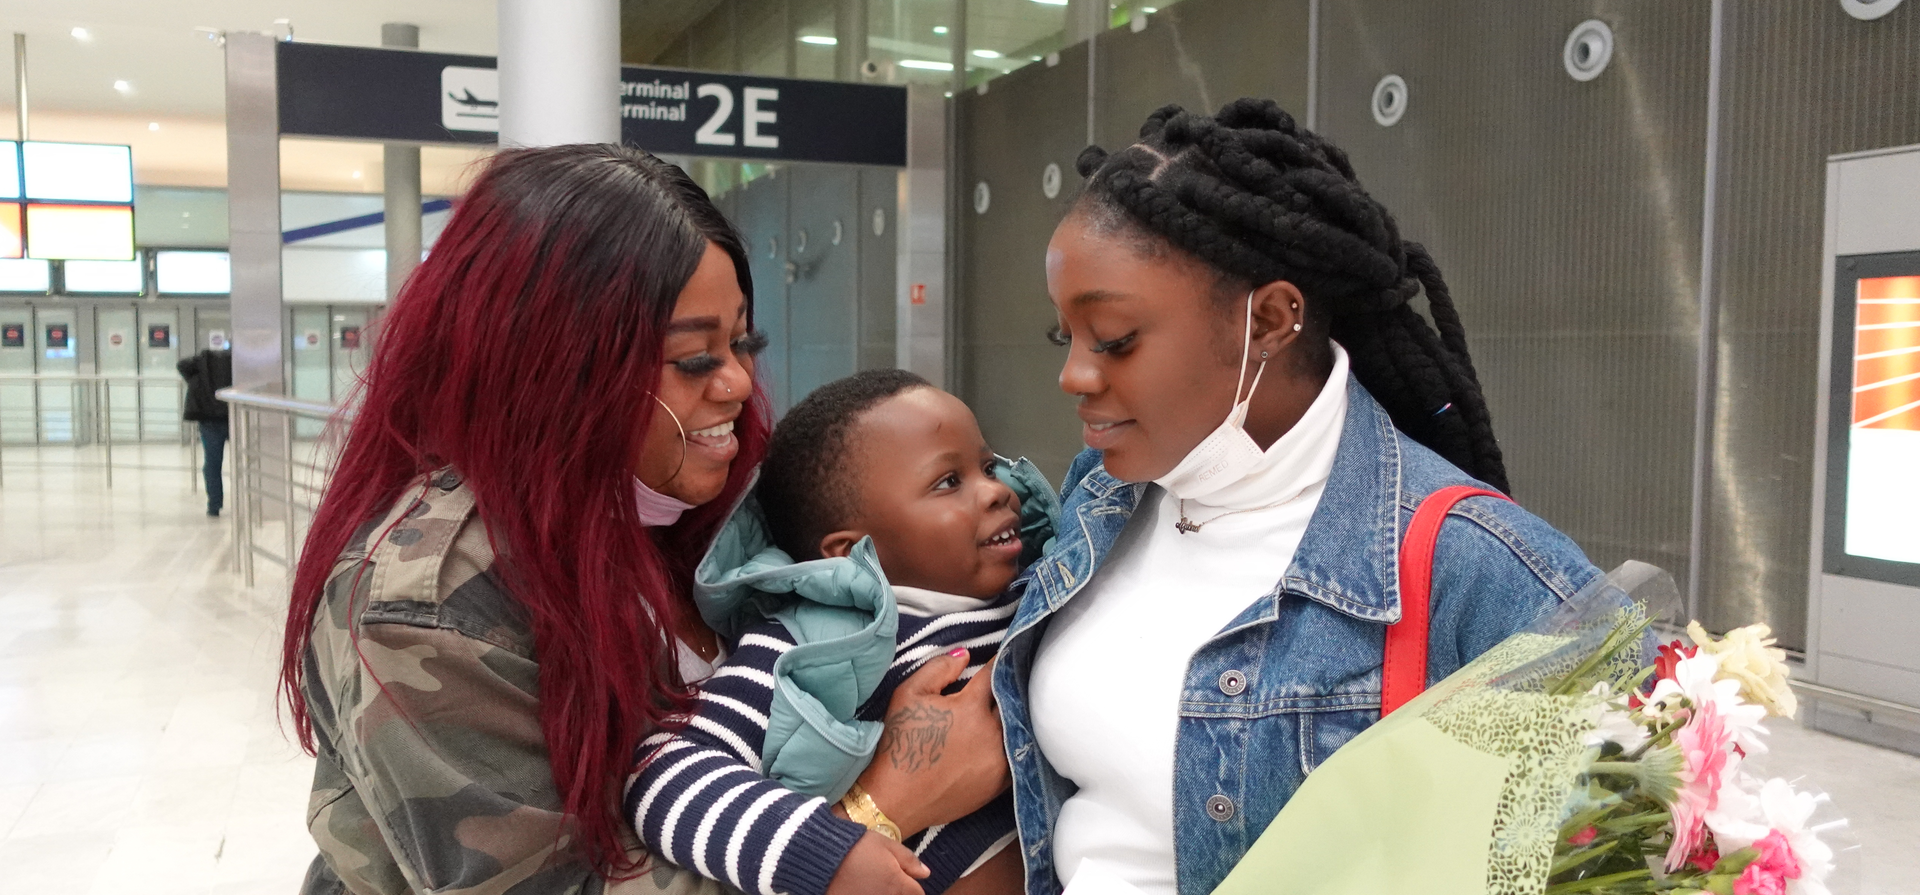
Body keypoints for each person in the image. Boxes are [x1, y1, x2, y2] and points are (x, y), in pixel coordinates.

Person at [279, 144, 1004, 895]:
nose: (737, 382)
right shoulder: (430, 605)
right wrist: (878, 811)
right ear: (554, 365)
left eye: (742, 342)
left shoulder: (709, 508)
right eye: (694, 359)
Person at [991, 99, 1608, 895]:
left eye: (1114, 339)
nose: (1074, 374)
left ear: (1271, 319)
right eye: (1065, 336)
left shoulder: (1476, 564)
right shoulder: (1102, 495)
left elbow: (1648, 828)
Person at [628, 369, 1050, 895]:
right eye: (948, 482)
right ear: (850, 551)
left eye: (988, 467)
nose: (997, 491)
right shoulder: (810, 646)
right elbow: (664, 772)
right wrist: (827, 852)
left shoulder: (1051, 591)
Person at [176, 346, 232, 516]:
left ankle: (214, 505)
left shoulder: (199, 364)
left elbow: (181, 365)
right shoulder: (236, 363)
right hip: (234, 417)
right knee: (243, 461)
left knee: (212, 464)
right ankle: (246, 501)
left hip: (209, 420)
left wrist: (195, 379)